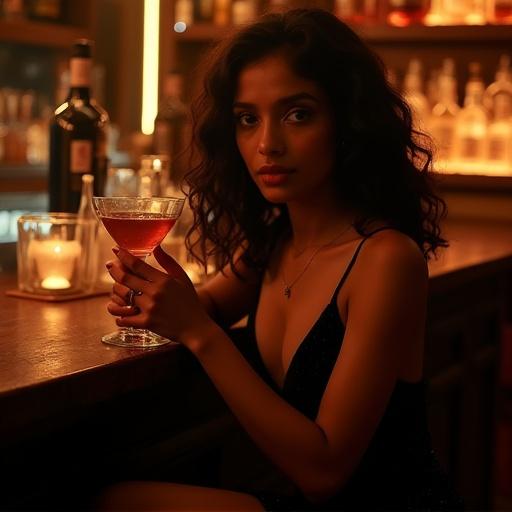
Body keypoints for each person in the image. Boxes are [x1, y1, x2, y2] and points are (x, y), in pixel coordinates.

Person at [98, 8, 463, 511]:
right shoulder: (276, 241)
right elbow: (203, 306)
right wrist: (152, 298)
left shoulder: (386, 260)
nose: (267, 144)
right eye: (248, 119)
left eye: (298, 114)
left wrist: (199, 333)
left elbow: (324, 470)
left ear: (348, 120)